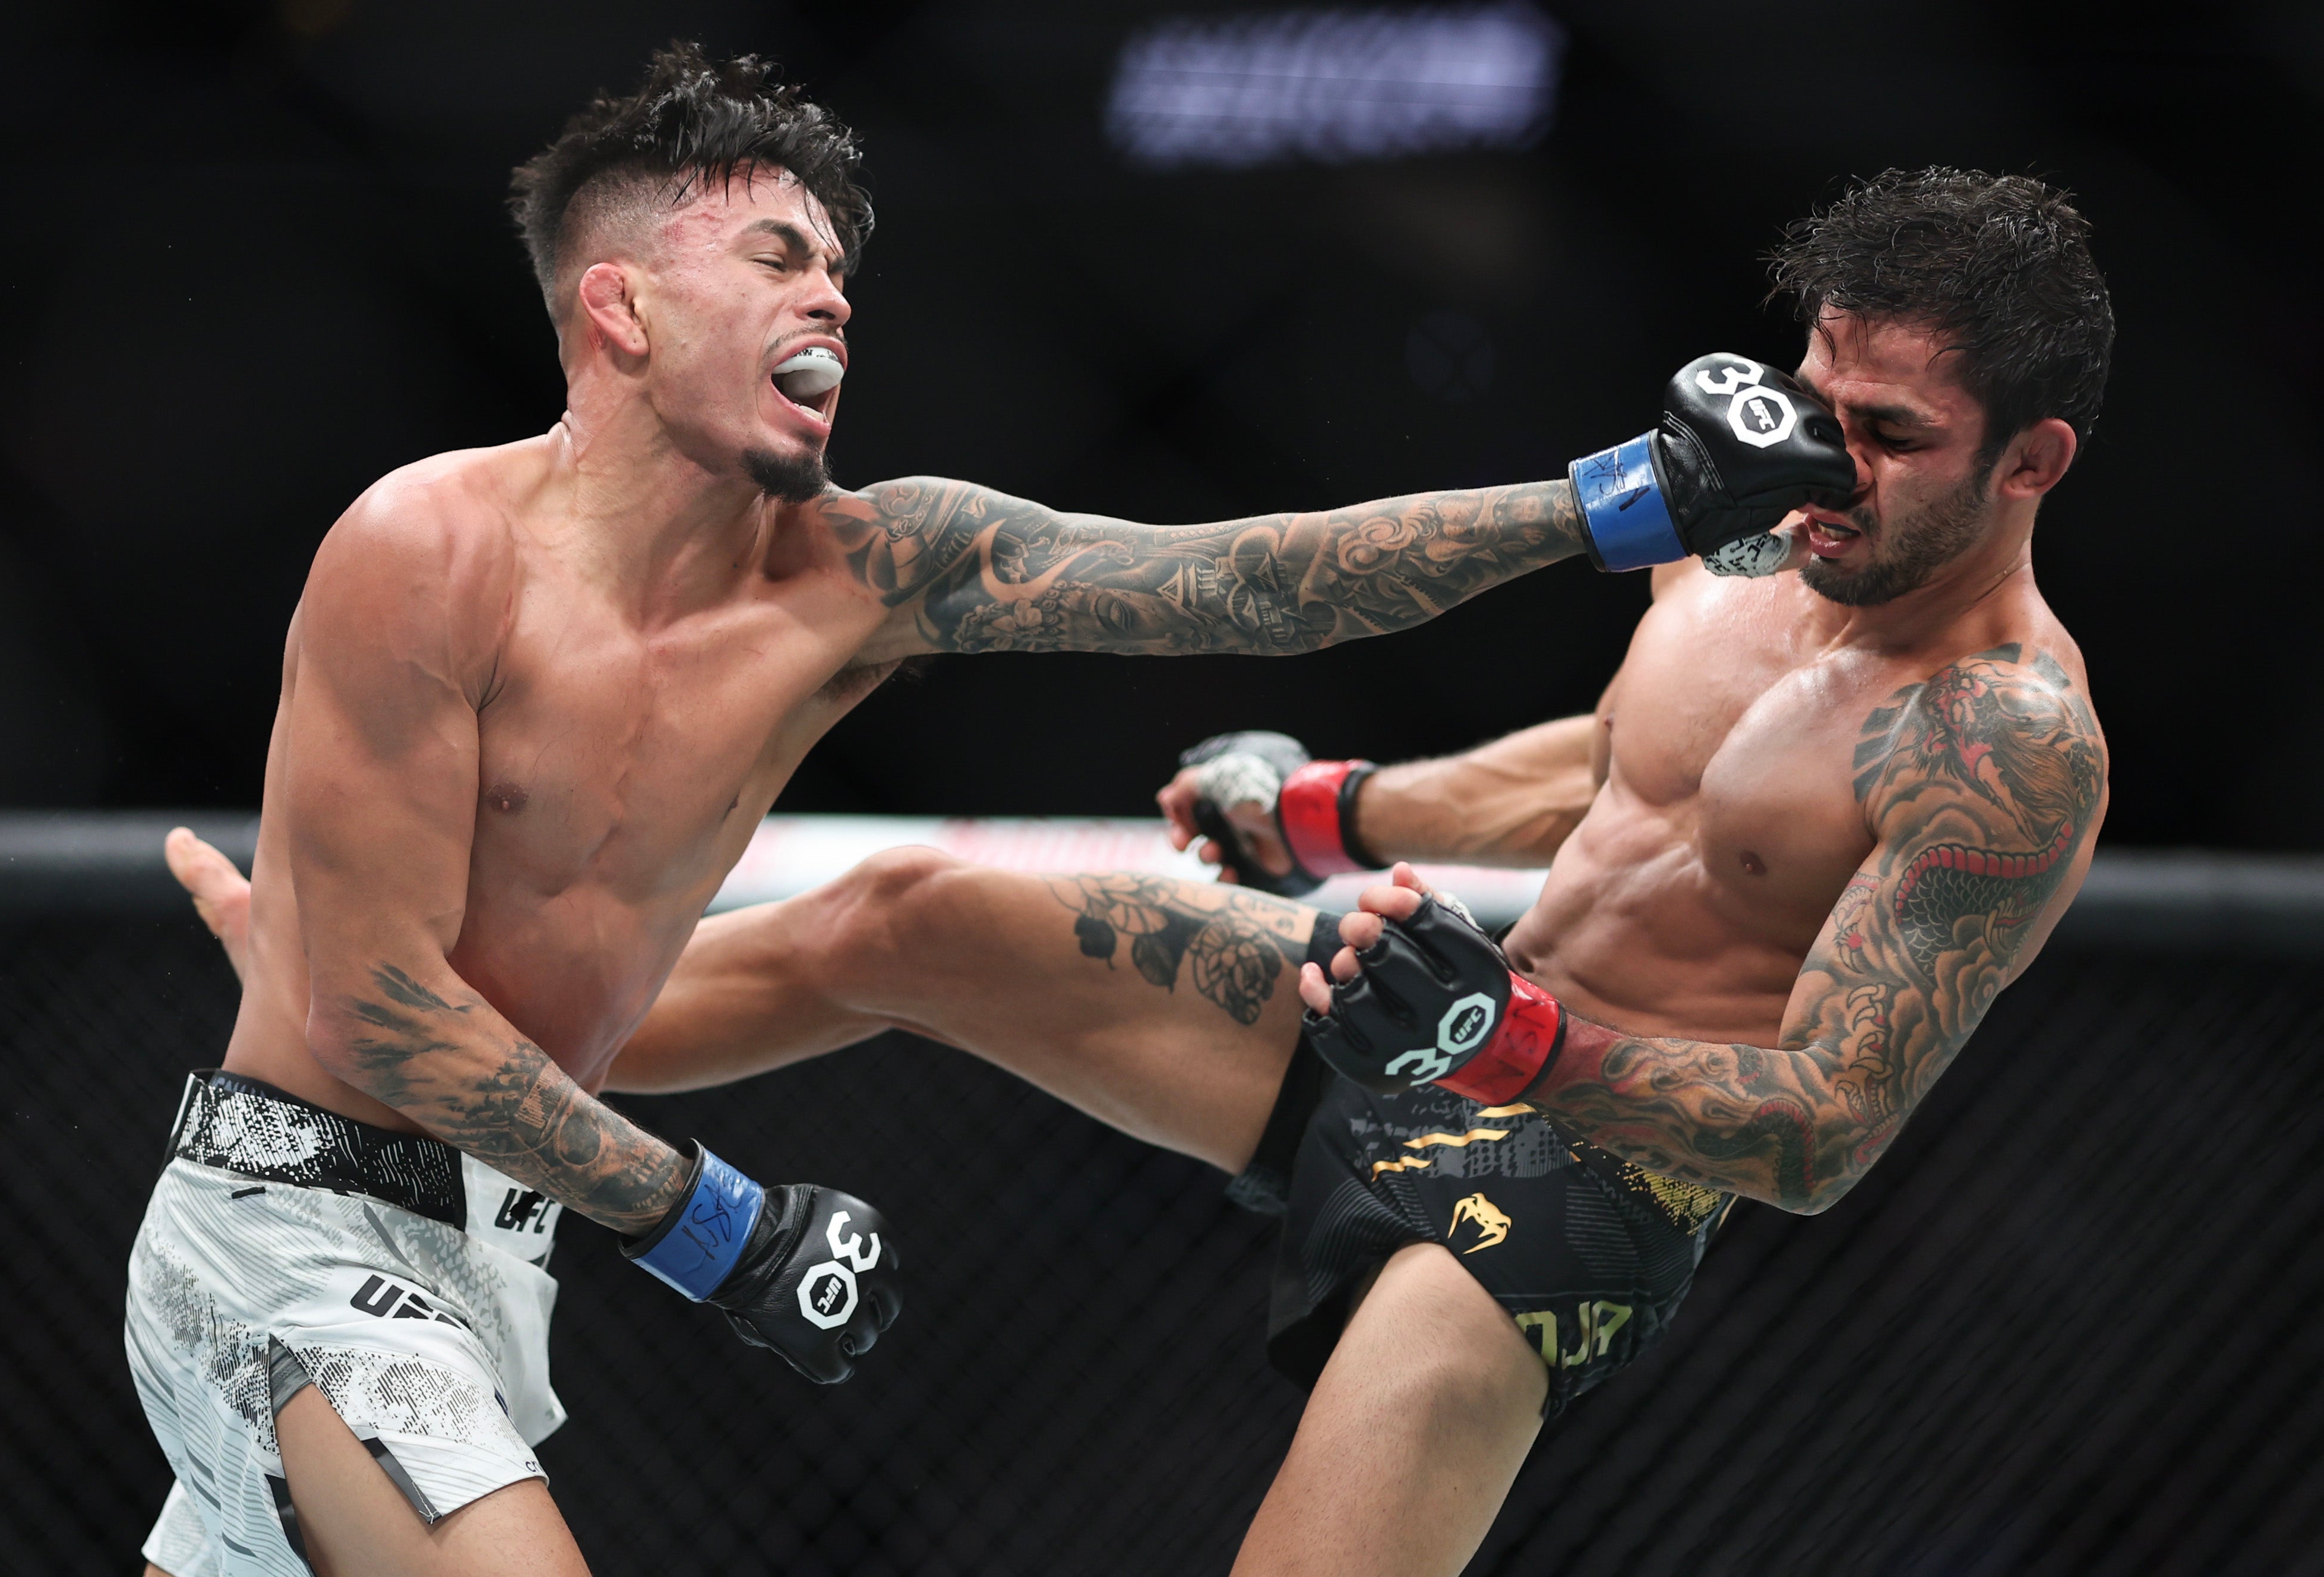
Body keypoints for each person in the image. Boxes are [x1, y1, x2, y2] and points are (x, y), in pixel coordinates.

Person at [169, 165, 2114, 1573]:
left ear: (2028, 463)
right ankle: (421, 1046)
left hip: (1571, 1171)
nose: (1824, 467)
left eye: (1891, 438)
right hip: (1382, 1007)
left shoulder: (2005, 744)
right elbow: (1628, 773)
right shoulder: (1759, 546)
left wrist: (1514, 1038)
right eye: (1816, 404)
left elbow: (1824, 1131)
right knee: (901, 919)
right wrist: (1344, 809)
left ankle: (402, 1035)